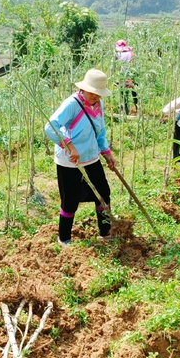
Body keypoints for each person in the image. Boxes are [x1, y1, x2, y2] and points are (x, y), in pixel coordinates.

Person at [44, 69, 117, 247]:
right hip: (70, 161)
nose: (94, 96)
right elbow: (50, 126)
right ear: (84, 89)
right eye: (92, 92)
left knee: (103, 194)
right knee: (70, 200)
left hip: (91, 157)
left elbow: (100, 132)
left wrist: (107, 153)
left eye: (98, 93)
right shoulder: (72, 104)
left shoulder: (98, 105)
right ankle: (64, 238)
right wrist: (69, 145)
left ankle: (106, 233)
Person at [114, 40, 138, 115]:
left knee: (123, 93)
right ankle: (138, 108)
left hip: (123, 76)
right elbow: (135, 65)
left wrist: (115, 79)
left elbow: (115, 66)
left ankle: (125, 110)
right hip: (132, 75)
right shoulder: (132, 53)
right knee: (134, 93)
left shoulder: (117, 54)